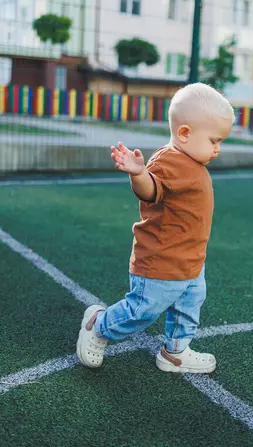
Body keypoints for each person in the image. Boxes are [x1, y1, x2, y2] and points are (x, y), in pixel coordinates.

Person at [76, 83, 234, 374]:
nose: (217, 148)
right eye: (214, 140)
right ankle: (98, 326)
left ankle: (175, 351)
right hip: (162, 260)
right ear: (185, 133)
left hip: (190, 258)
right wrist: (139, 173)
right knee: (142, 310)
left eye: (220, 141)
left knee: (189, 304)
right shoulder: (168, 160)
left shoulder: (193, 161)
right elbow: (150, 191)